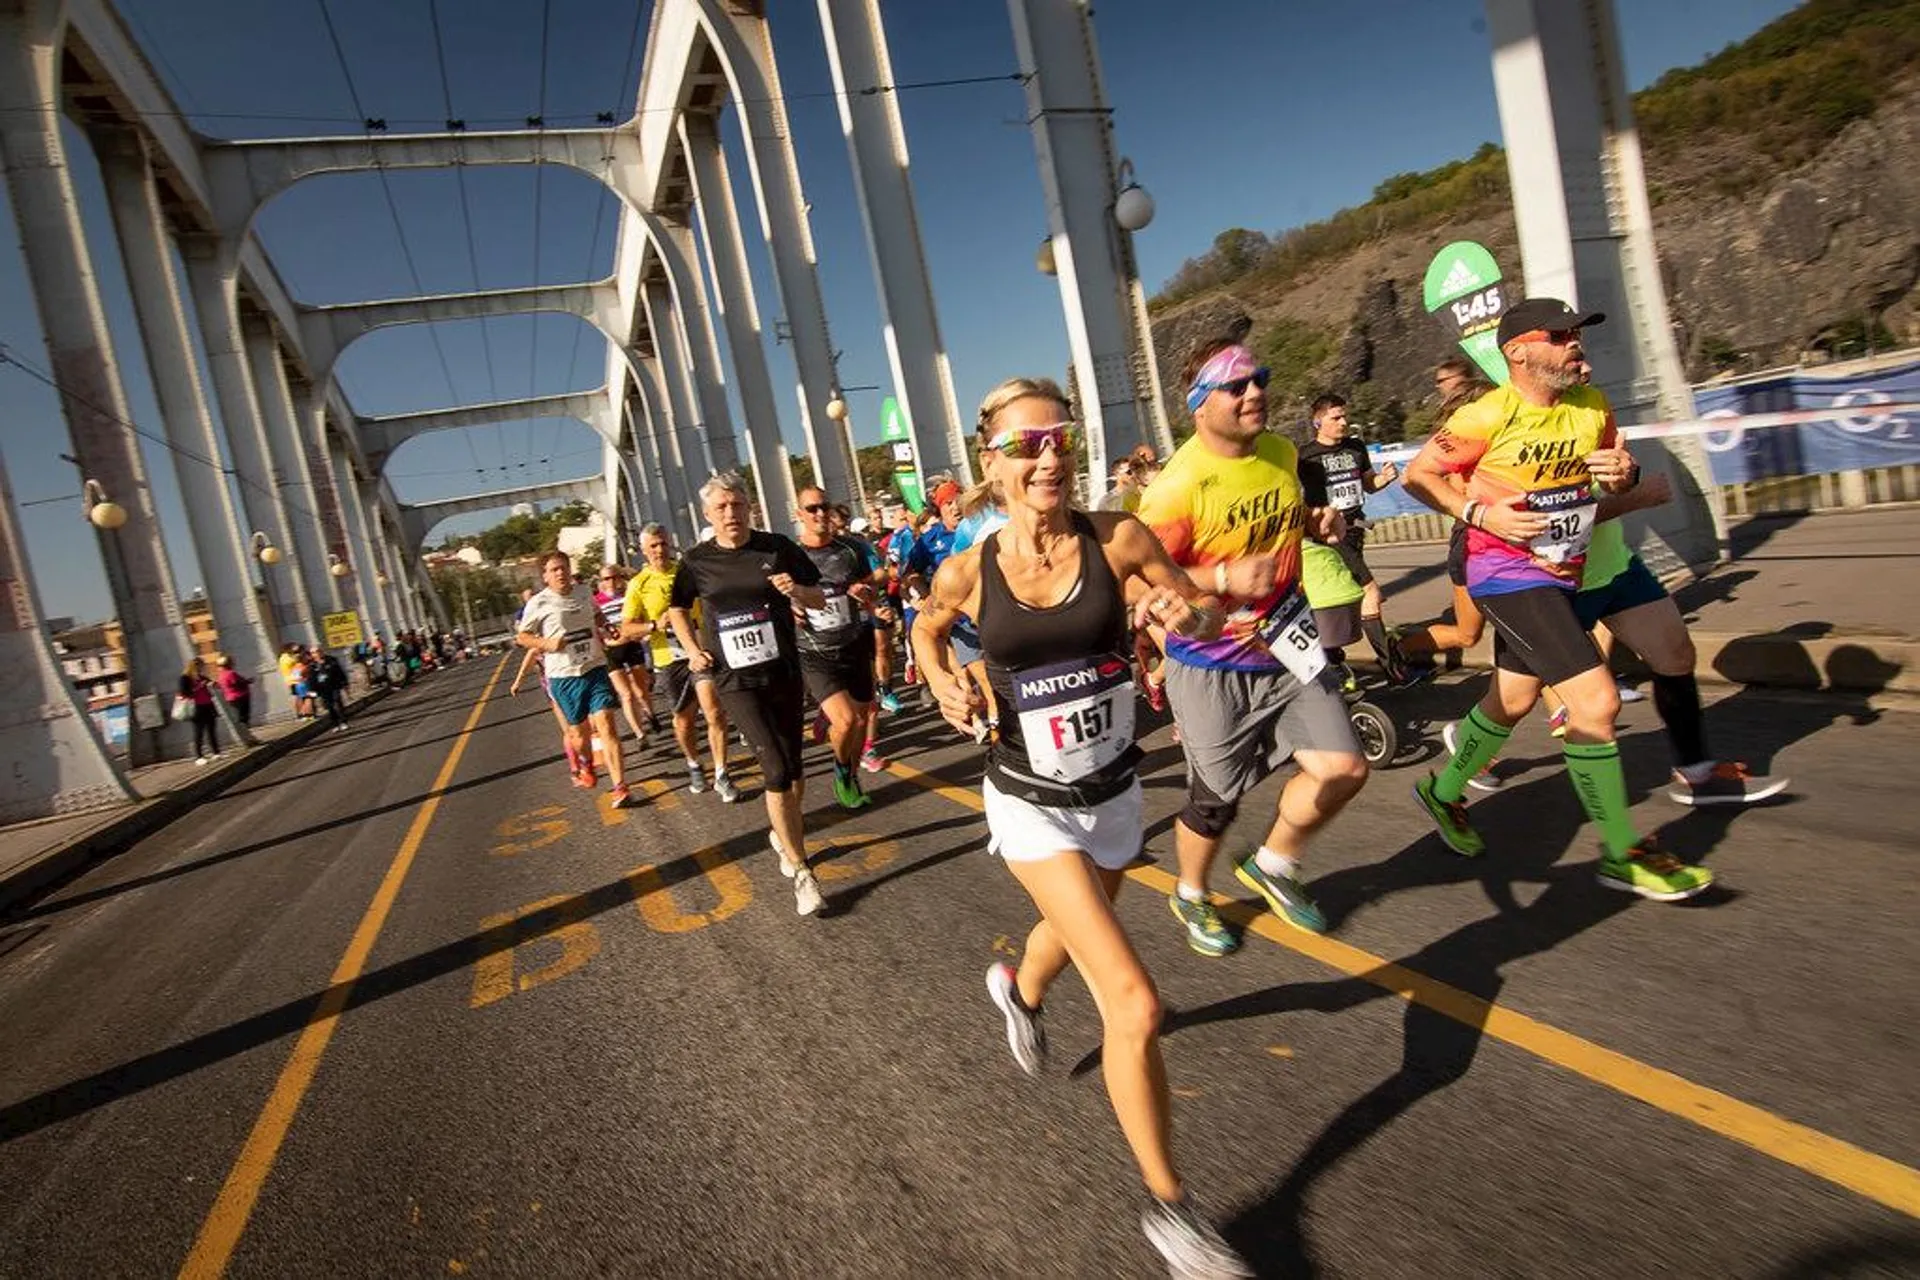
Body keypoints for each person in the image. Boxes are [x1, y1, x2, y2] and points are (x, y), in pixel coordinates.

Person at [912, 376, 1250, 1279]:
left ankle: (1018, 991)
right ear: (992, 462)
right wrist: (942, 677)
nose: (1049, 457)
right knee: (1134, 1001)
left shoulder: (1120, 536)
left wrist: (1189, 612)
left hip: (1114, 791)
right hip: (1026, 800)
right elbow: (927, 628)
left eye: (1059, 439)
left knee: (1077, 925)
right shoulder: (968, 569)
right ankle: (1171, 1212)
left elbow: (1202, 608)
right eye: (1027, 446)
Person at [1401, 297, 1715, 900]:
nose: (1575, 343)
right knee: (1594, 702)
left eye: (1579, 332)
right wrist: (1477, 511)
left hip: (1565, 571)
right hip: (1504, 575)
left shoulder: (1592, 406)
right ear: (1518, 350)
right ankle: (1621, 852)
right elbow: (1420, 475)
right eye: (1560, 334)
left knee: (1512, 701)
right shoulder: (1486, 416)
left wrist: (1620, 475)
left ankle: (1441, 794)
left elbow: (1607, 477)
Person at [1134, 336, 1369, 956]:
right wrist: (1218, 580)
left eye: (1258, 378)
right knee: (1216, 805)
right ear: (1199, 404)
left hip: (1288, 644)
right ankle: (1190, 892)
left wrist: (1316, 523)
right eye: (1236, 386)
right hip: (1212, 665)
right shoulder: (1176, 488)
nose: (1255, 392)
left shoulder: (1282, 452)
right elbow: (1139, 579)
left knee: (1344, 768)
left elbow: (1285, 519)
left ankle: (1275, 863)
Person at [667, 473, 831, 916]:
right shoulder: (697, 561)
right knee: (774, 769)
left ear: (749, 508)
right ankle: (802, 870)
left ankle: (784, 835)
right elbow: (677, 606)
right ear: (707, 514)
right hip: (733, 679)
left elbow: (818, 598)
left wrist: (794, 590)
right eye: (721, 507)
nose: (730, 513)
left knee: (795, 771)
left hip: (783, 672)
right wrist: (690, 649)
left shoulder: (776, 547)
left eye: (737, 505)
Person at [1295, 393, 1411, 685]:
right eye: (1336, 417)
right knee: (1370, 593)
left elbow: (1368, 484)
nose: (1343, 422)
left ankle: (1333, 665)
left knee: (1335, 600)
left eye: (1344, 416)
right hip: (1330, 536)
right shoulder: (1305, 456)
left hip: (1356, 531)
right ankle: (1393, 670)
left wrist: (1382, 480)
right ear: (1318, 421)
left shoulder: (1356, 448)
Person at [621, 523, 739, 800]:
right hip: (668, 658)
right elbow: (627, 628)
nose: (660, 550)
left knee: (714, 711)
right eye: (653, 546)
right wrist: (654, 625)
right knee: (683, 721)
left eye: (663, 543)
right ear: (643, 551)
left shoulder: (688, 571)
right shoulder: (639, 584)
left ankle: (722, 773)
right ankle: (694, 763)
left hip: (700, 651)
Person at [1396, 364, 1499, 670]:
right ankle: (1398, 648)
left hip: (1504, 546)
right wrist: (1468, 511)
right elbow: (1412, 479)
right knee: (1468, 635)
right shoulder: (1459, 445)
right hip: (1469, 543)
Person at [516, 550, 637, 808]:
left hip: (594, 666)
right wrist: (547, 643)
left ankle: (620, 786)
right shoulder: (539, 603)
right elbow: (523, 637)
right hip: (563, 675)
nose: (561, 573)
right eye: (554, 570)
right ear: (545, 576)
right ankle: (584, 762)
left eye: (564, 567)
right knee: (578, 734)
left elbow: (596, 614)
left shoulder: (583, 592)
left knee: (606, 722)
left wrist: (605, 625)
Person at [794, 485, 887, 808]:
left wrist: (867, 591)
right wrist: (789, 606)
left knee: (861, 720)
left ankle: (849, 765)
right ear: (799, 515)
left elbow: (874, 579)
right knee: (847, 721)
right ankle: (842, 771)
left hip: (853, 643)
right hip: (815, 652)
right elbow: (774, 595)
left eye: (824, 506)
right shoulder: (791, 556)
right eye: (811, 509)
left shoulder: (849, 548)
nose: (819, 513)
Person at [594, 563, 652, 745]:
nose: (610, 582)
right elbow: (594, 626)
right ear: (600, 581)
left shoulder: (628, 596)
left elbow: (639, 616)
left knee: (641, 691)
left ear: (619, 578)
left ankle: (649, 714)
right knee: (626, 695)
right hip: (611, 650)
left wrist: (642, 634)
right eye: (606, 578)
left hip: (632, 645)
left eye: (613, 577)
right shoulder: (595, 602)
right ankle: (640, 734)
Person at [179, 658, 221, 764]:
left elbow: (214, 685)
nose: (202, 668)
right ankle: (198, 757)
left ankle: (216, 753)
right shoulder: (185, 678)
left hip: (208, 706)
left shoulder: (201, 677)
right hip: (196, 708)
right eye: (200, 666)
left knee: (211, 730)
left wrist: (214, 684)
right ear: (194, 666)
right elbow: (184, 693)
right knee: (199, 732)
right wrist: (198, 687)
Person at [217, 655, 252, 726]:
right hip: (240, 696)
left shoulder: (221, 675)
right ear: (228, 664)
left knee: (238, 715)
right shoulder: (231, 673)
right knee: (243, 715)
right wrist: (247, 681)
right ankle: (245, 730)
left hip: (230, 698)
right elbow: (236, 683)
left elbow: (221, 686)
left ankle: (243, 729)